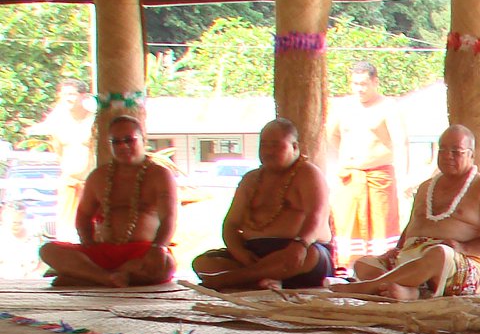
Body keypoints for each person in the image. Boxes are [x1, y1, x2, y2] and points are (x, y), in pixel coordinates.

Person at [332, 126, 480, 299]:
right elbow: (413, 224)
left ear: (471, 155)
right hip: (411, 258)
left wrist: (464, 247)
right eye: (442, 149)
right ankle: (413, 292)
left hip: (457, 263)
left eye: (456, 151)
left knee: (439, 254)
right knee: (364, 264)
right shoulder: (426, 187)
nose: (447, 155)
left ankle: (371, 287)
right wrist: (397, 249)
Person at [191, 119, 334, 290]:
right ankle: (257, 278)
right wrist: (240, 253)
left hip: (298, 249)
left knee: (309, 256)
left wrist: (300, 244)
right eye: (264, 145)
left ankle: (237, 278)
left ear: (294, 147)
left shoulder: (308, 173)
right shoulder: (250, 179)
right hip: (253, 254)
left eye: (275, 145)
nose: (268, 151)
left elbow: (316, 217)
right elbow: (230, 224)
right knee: (203, 262)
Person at [38, 116, 178, 287]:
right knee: (48, 250)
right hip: (102, 252)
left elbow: (169, 218)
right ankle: (107, 278)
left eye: (129, 140)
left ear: (143, 139)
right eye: (116, 142)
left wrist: (158, 248)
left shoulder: (160, 175)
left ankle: (88, 278)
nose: (123, 146)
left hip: (141, 253)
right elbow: (83, 214)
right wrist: (88, 244)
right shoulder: (99, 176)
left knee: (166, 266)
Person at [329, 60, 400, 267]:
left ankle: (380, 269)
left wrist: (405, 178)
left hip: (379, 177)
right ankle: (347, 269)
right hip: (350, 177)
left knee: (381, 229)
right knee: (347, 227)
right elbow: (331, 136)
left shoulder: (388, 106)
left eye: (363, 84)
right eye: (355, 84)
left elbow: (400, 142)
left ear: (375, 82)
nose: (359, 89)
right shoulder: (344, 107)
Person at [32, 79, 95, 238]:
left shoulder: (94, 121)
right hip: (68, 184)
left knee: (92, 230)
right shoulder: (57, 121)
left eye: (72, 94)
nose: (68, 98)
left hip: (91, 184)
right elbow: (58, 150)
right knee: (66, 234)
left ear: (83, 96)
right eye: (64, 94)